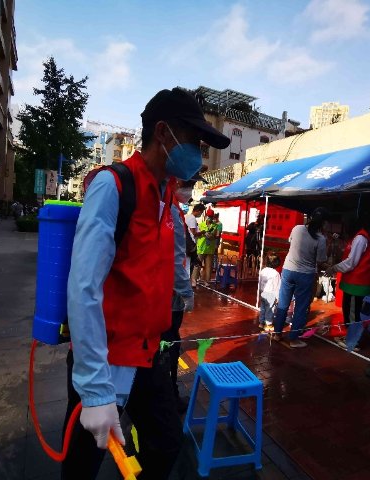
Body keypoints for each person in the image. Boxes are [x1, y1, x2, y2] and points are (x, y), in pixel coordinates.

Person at [63, 87, 230, 480]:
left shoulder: (167, 195)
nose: (198, 153)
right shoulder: (114, 186)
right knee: (83, 463)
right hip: (108, 357)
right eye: (193, 140)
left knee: (167, 444)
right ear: (163, 132)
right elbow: (84, 288)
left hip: (149, 353)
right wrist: (94, 389)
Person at [273, 207, 330, 347]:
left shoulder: (297, 229)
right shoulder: (321, 239)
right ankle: (293, 339)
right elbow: (320, 260)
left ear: (310, 218)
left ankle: (277, 333)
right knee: (301, 307)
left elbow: (291, 242)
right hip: (305, 275)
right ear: (323, 223)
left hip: (288, 270)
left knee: (283, 304)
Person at [161, 197, 195, 414]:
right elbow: (175, 258)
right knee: (169, 345)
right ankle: (169, 396)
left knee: (167, 344)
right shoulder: (170, 208)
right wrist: (186, 292)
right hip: (169, 295)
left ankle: (167, 393)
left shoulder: (169, 205)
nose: (190, 191)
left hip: (162, 291)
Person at [325, 215, 370, 350]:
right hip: (353, 283)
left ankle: (355, 341)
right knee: (349, 310)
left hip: (357, 283)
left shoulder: (360, 238)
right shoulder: (361, 237)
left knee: (353, 312)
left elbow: (351, 262)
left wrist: (334, 268)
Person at [193, 209, 217, 284]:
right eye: (209, 216)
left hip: (210, 249)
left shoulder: (215, 226)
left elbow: (216, 235)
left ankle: (207, 281)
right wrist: (202, 233)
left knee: (209, 266)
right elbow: (196, 235)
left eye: (211, 216)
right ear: (206, 216)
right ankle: (194, 280)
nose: (210, 218)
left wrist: (211, 236)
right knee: (197, 265)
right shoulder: (201, 225)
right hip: (201, 248)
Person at [258, 253, 281, 332]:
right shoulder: (276, 273)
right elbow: (277, 286)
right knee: (270, 310)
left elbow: (260, 282)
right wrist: (277, 297)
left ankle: (261, 322)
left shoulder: (263, 270)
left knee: (263, 308)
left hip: (263, 292)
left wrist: (260, 291)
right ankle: (268, 324)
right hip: (271, 294)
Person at [185, 203, 205, 284]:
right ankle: (187, 283)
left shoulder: (187, 216)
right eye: (201, 212)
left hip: (186, 243)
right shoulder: (192, 219)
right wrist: (202, 232)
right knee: (189, 266)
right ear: (198, 211)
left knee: (186, 264)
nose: (201, 214)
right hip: (191, 244)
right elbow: (193, 233)